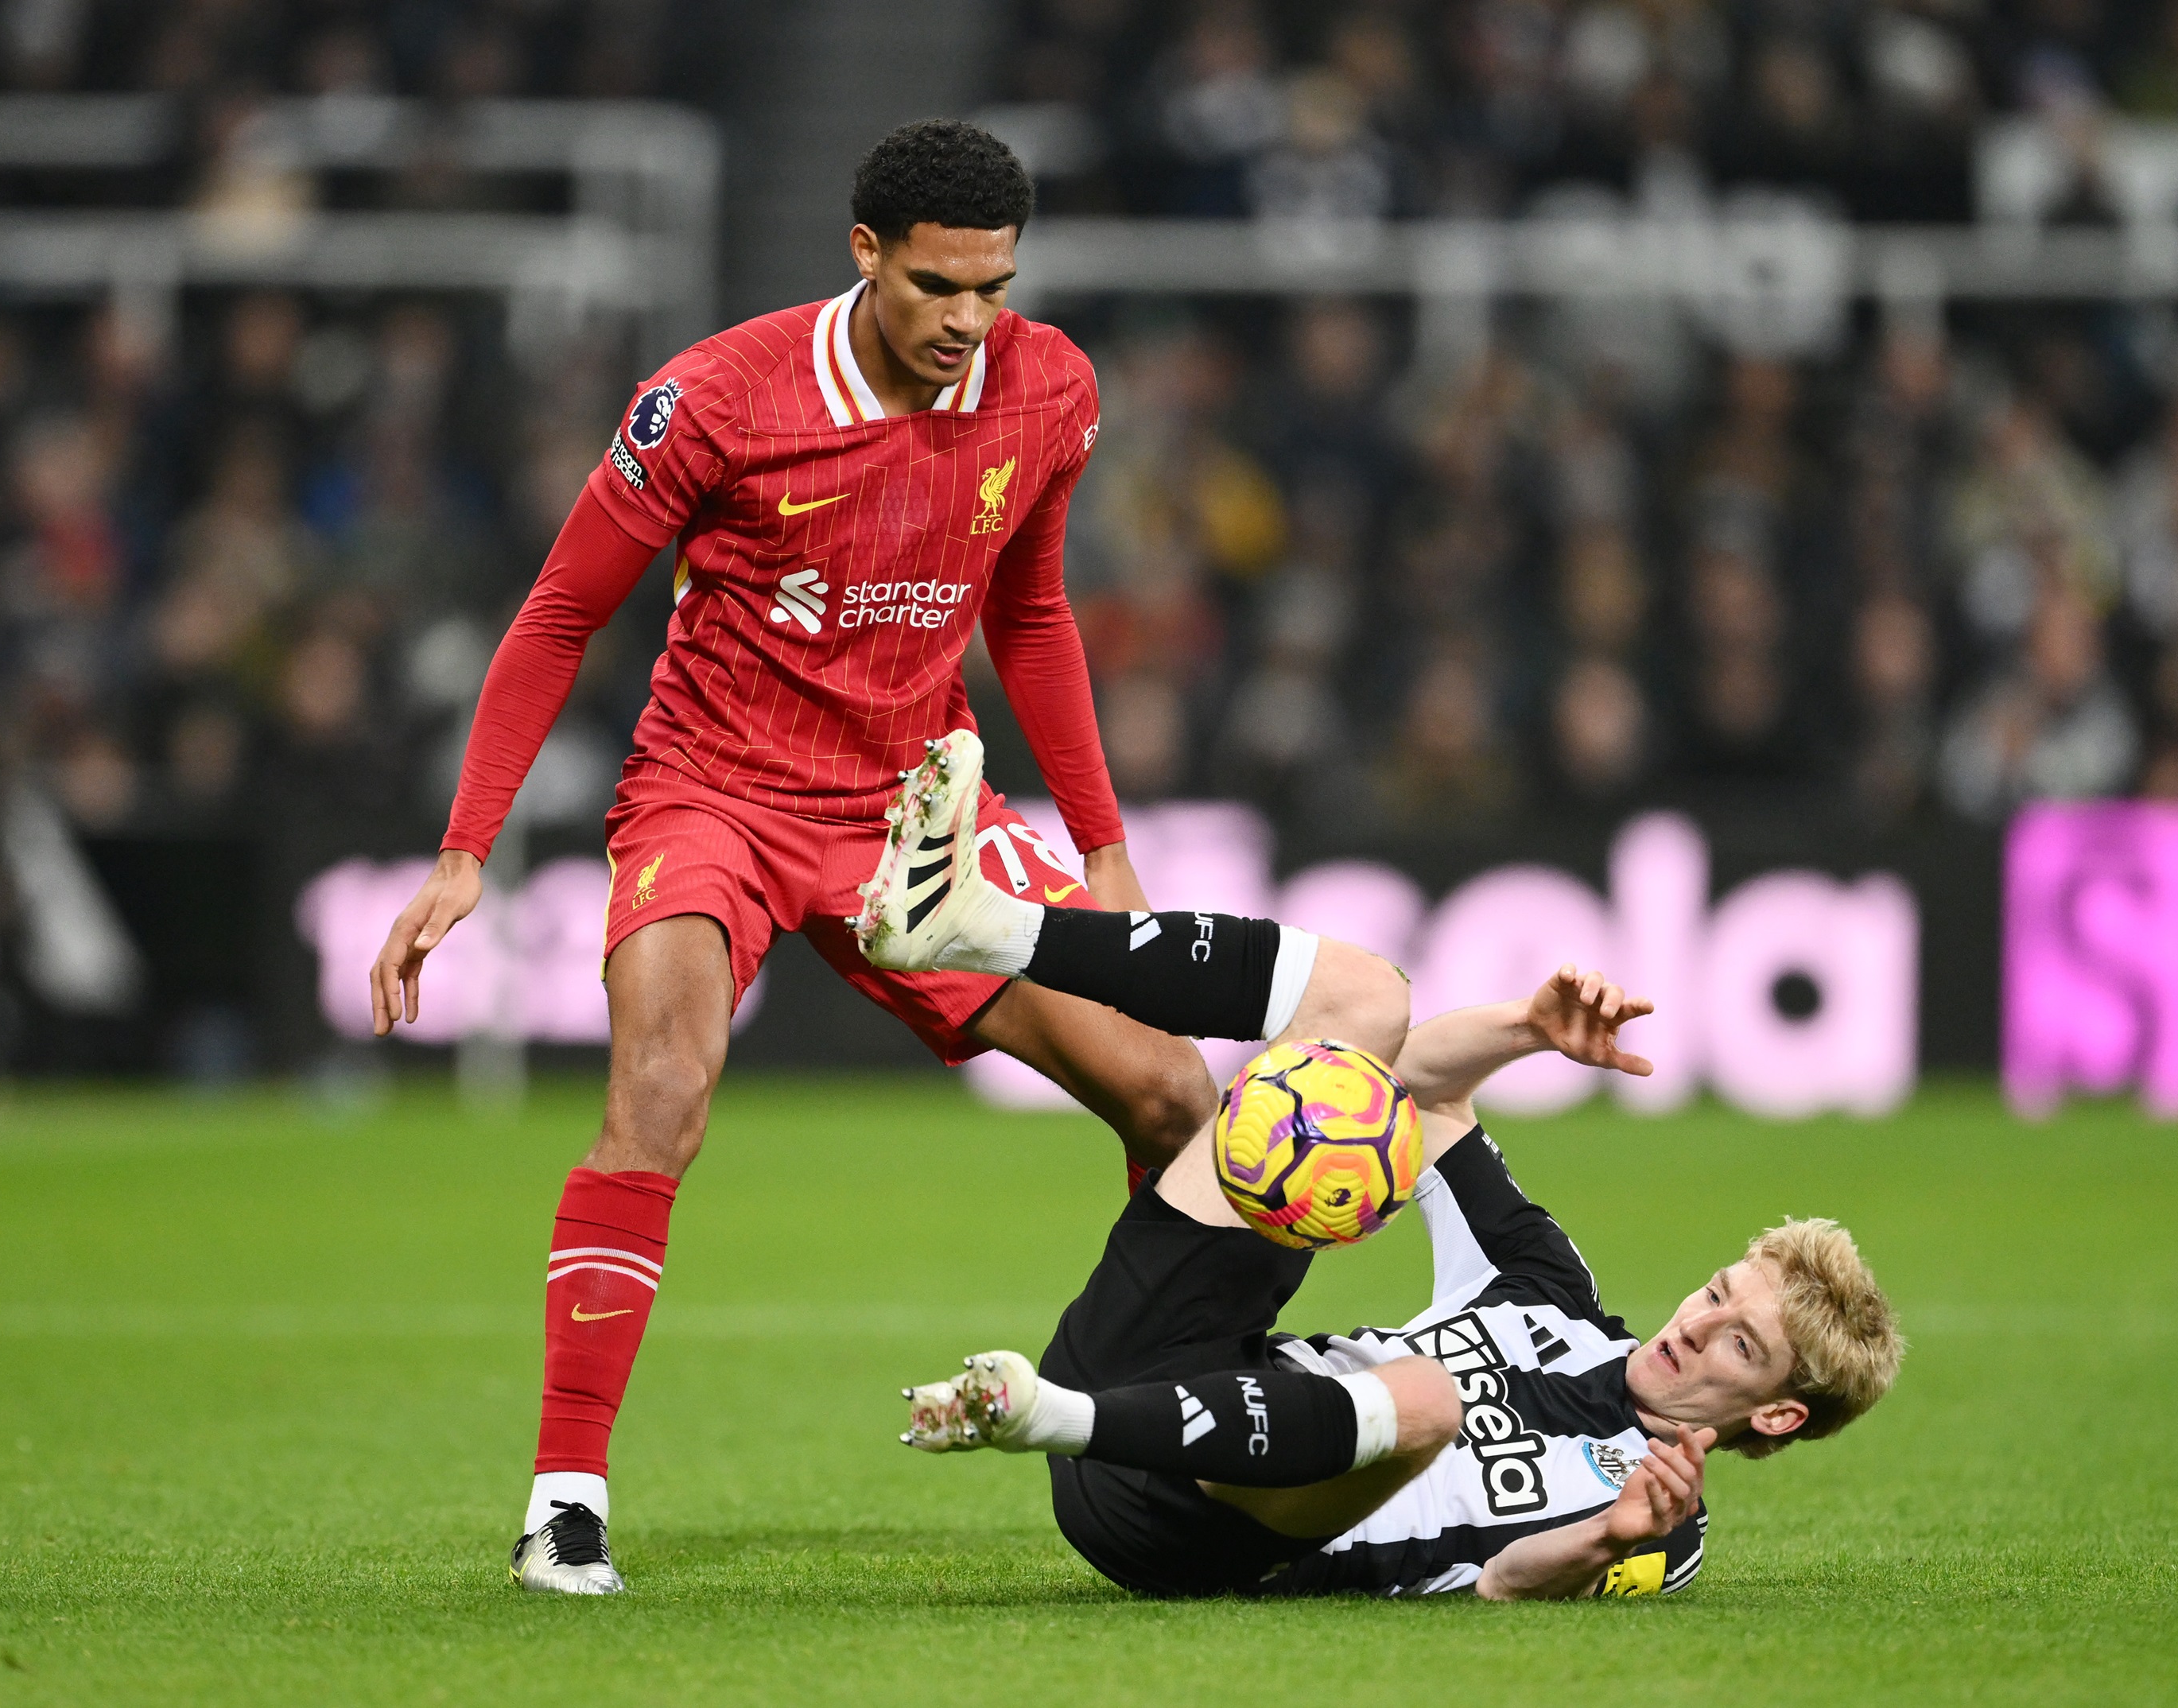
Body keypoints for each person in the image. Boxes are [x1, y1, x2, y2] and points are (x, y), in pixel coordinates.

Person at [360, 121, 1397, 1594]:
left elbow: (1028, 617)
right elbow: (554, 616)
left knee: (1175, 1092)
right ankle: (566, 1498)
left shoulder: (1050, 387)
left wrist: (1103, 848)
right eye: (935, 288)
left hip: (916, 813)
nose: (967, 323)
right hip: (711, 794)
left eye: (993, 288)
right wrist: (467, 850)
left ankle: (1163, 1443)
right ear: (862, 254)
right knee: (662, 1088)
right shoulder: (712, 400)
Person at [865, 763, 1903, 1600]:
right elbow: (1409, 1091)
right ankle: (970, 926)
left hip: (1201, 1527)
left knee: (1423, 1401)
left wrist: (1603, 1538)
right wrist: (1524, 1031)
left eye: (1739, 1342)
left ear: (1774, 1415)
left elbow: (1503, 1581)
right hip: (1151, 1367)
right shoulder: (1550, 1296)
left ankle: (1032, 1415)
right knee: (1367, 1001)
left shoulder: (1664, 1528)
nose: (1694, 1321)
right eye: (1719, 1292)